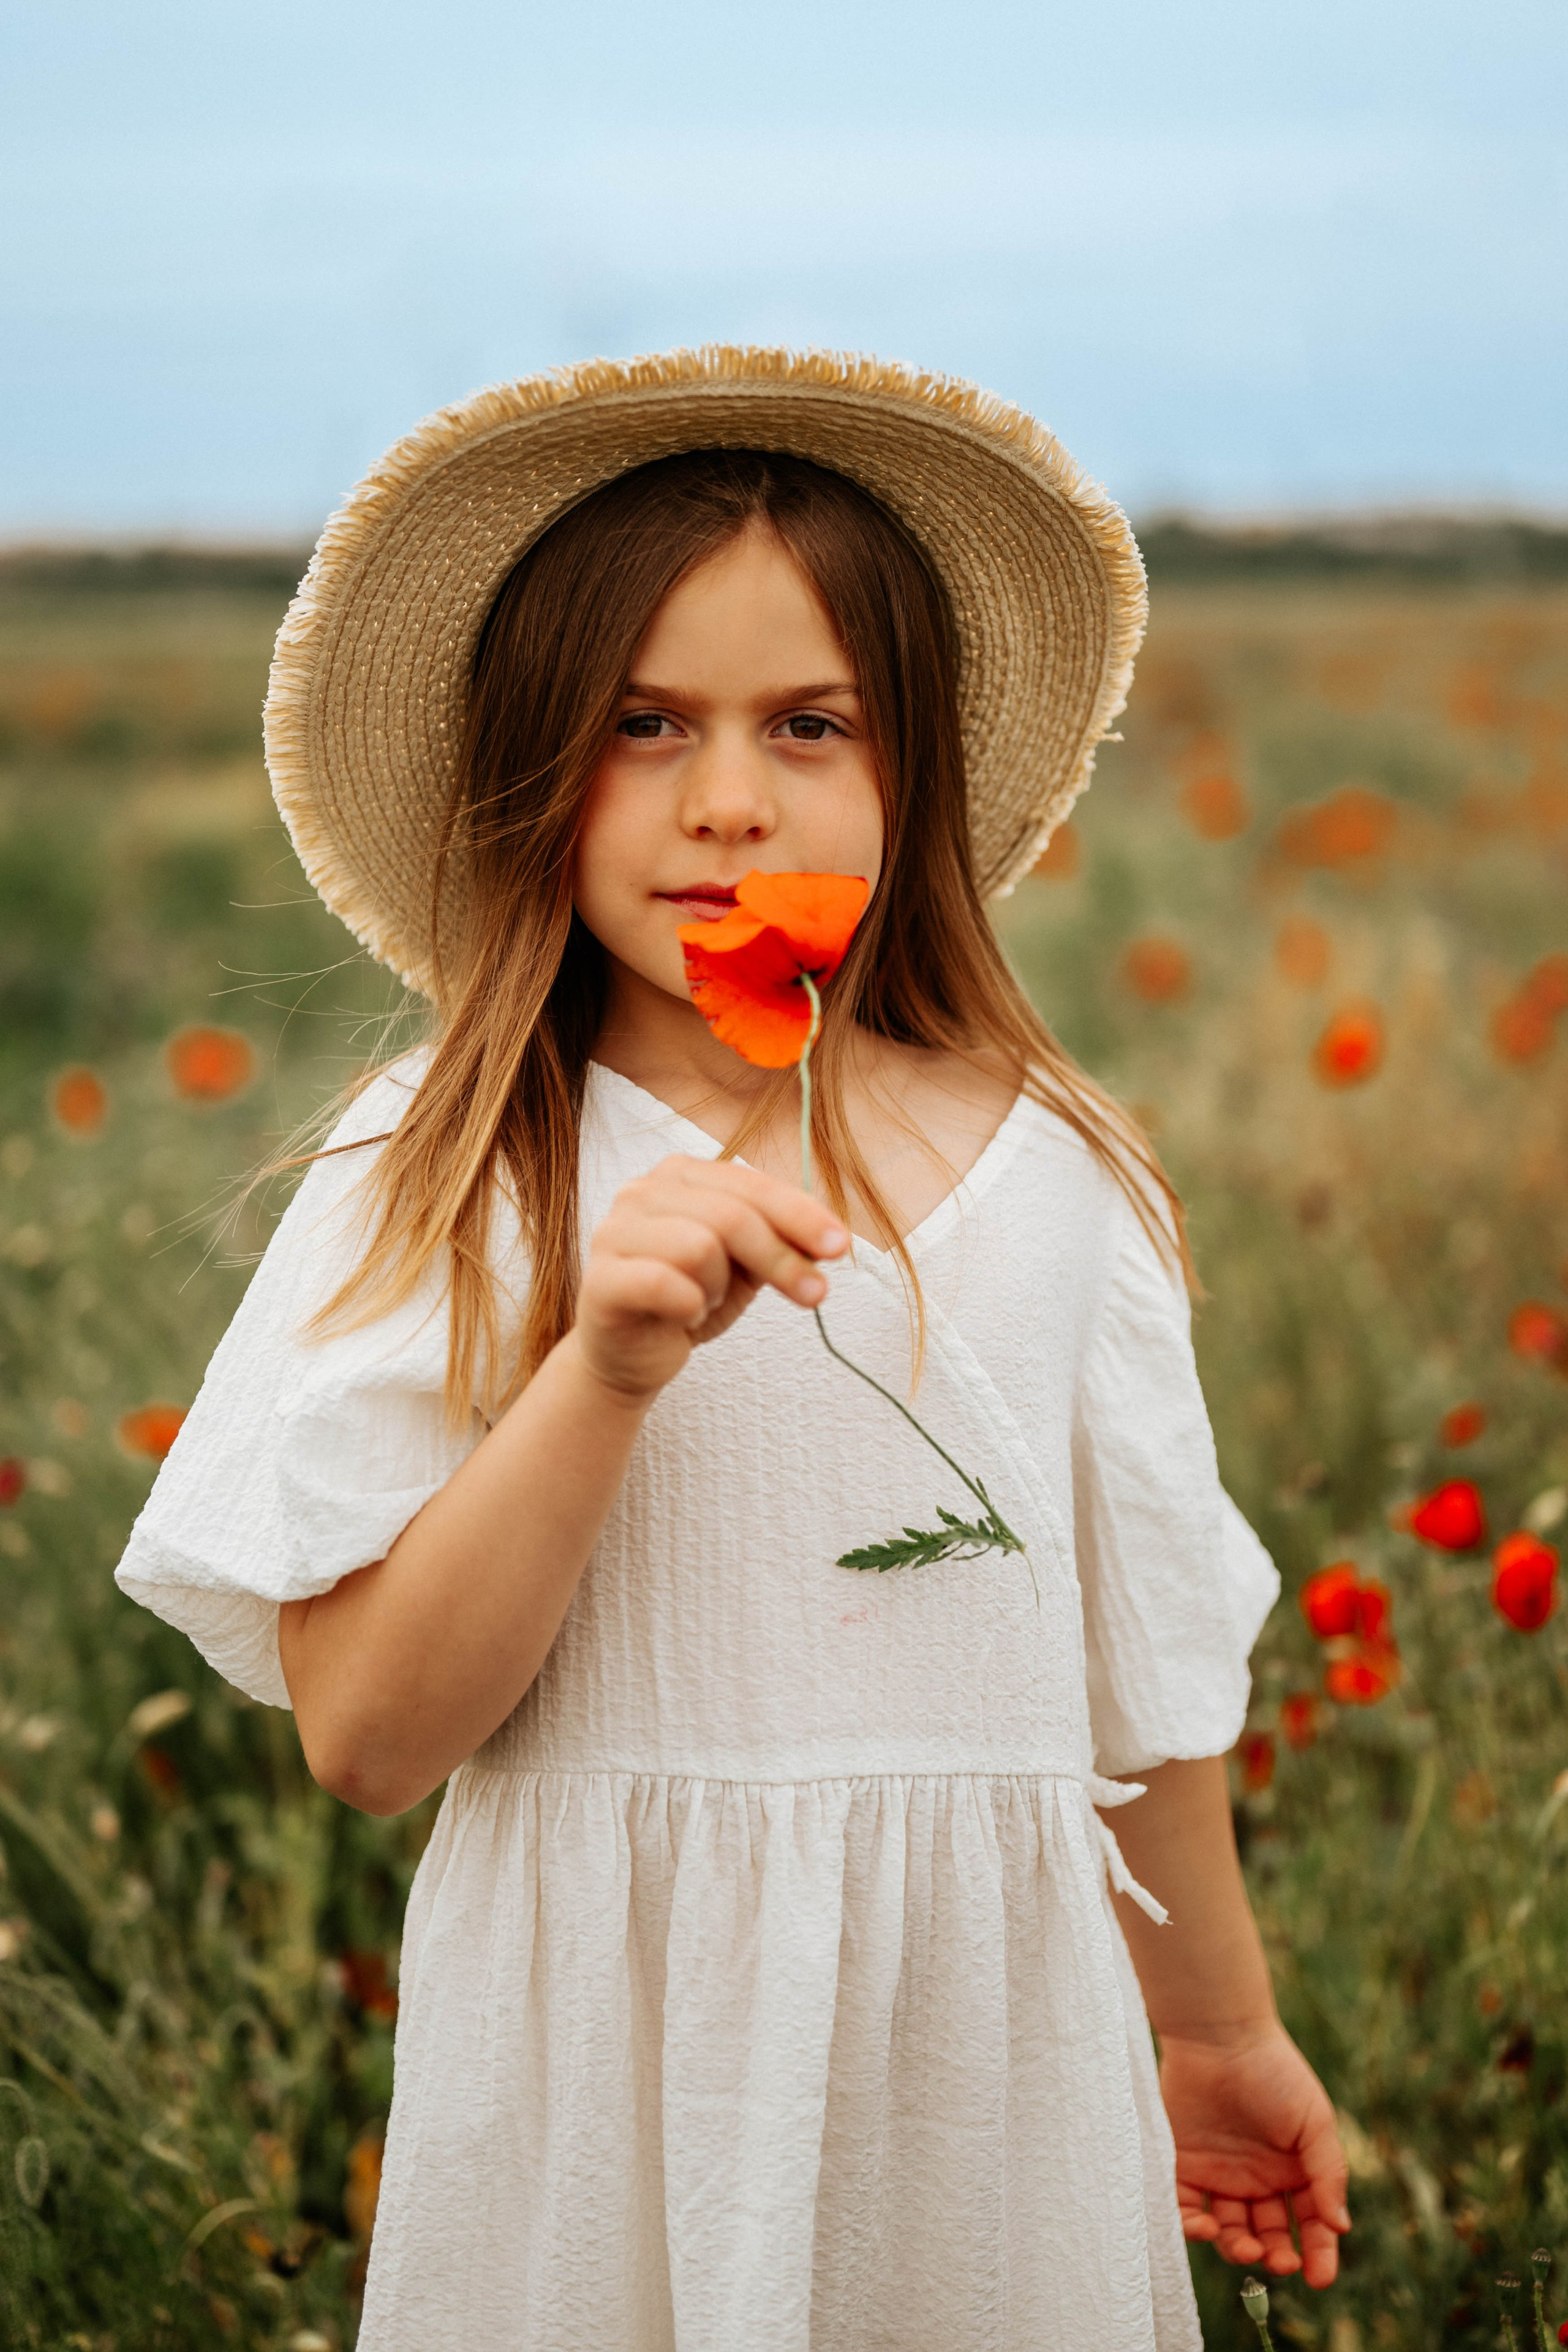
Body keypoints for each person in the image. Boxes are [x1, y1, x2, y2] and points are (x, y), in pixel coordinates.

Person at [117, 349, 1349, 2351]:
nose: (724, 802)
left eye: (810, 725)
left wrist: (1215, 2034)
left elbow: (1150, 1684)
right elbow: (367, 1738)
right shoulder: (450, 1165)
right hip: (613, 2079)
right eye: (642, 725)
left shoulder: (1061, 1179)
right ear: (537, 765)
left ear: (914, 771)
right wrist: (597, 1369)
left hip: (986, 2079)